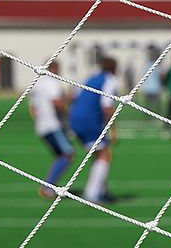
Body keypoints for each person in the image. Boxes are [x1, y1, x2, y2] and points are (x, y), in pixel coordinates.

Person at [68, 56, 119, 204]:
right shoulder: (110, 80)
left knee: (98, 154)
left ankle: (101, 191)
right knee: (105, 155)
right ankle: (92, 194)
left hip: (76, 118)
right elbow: (107, 105)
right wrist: (113, 129)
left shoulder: (92, 78)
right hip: (89, 120)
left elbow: (75, 96)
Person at [29, 60, 75, 198]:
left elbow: (33, 108)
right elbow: (56, 102)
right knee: (68, 154)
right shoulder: (52, 83)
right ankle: (47, 187)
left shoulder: (38, 84)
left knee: (61, 156)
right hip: (53, 125)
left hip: (41, 126)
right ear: (55, 68)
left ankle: (49, 186)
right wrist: (68, 114)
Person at [140, 49, 163, 117]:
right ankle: (154, 115)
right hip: (154, 87)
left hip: (151, 87)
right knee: (154, 103)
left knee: (150, 103)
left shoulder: (149, 65)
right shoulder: (156, 65)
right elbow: (160, 75)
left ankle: (149, 115)